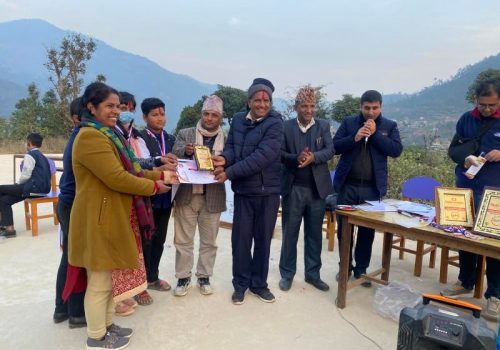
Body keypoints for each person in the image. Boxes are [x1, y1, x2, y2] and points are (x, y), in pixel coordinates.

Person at [68, 82, 176, 349]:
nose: (116, 111)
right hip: (99, 219)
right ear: (91, 107)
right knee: (100, 281)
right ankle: (96, 336)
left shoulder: (109, 134)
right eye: (109, 106)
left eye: (118, 106)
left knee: (108, 280)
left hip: (112, 216)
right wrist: (154, 186)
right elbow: (118, 178)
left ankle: (107, 326)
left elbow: (134, 168)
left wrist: (162, 174)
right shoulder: (90, 137)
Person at [213, 78, 284, 305]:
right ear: (249, 101)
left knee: (263, 241)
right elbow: (233, 147)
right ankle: (240, 284)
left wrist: (229, 172)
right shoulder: (238, 120)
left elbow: (263, 156)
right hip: (244, 191)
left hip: (268, 192)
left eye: (266, 100)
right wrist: (224, 158)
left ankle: (259, 284)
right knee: (241, 241)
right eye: (257, 99)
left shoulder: (275, 123)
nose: (262, 104)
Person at [440, 80, 500, 322]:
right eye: (482, 104)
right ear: (475, 100)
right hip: (466, 186)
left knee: (494, 244)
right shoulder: (466, 119)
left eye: (492, 105)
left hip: (494, 194)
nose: (486, 109)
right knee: (464, 236)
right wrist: (465, 159)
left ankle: (494, 295)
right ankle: (465, 281)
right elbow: (453, 150)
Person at [333, 90, 402, 287]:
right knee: (344, 230)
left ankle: (361, 269)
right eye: (367, 108)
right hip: (347, 186)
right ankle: (344, 267)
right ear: (360, 107)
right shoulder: (348, 123)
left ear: (380, 107)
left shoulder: (389, 126)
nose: (371, 112)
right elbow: (335, 146)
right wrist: (354, 138)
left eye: (375, 108)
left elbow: (396, 150)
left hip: (372, 189)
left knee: (366, 232)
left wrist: (374, 136)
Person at [279, 86, 334, 292]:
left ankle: (313, 274)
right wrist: (297, 158)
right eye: (304, 106)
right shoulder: (285, 127)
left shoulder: (323, 126)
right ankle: (287, 274)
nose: (308, 110)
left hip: (316, 190)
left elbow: (330, 150)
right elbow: (279, 153)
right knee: (290, 233)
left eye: (312, 106)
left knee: (314, 235)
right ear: (296, 107)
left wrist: (313, 157)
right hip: (293, 188)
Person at [171, 95, 226, 296]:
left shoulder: (227, 138)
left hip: (213, 196)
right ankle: (183, 277)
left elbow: (231, 160)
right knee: (183, 240)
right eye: (206, 114)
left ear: (220, 117)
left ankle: (204, 276)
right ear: (201, 114)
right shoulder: (186, 133)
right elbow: (173, 152)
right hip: (187, 194)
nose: (209, 118)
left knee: (209, 241)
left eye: (214, 115)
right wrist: (185, 151)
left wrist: (222, 161)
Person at [137, 97, 177, 305]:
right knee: (145, 241)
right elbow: (138, 166)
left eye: (162, 114)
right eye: (154, 114)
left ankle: (153, 277)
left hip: (167, 196)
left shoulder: (171, 138)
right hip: (147, 197)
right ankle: (140, 285)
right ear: (144, 117)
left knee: (160, 239)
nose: (160, 118)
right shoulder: (139, 137)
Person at [53, 97, 87, 328]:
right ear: (76, 118)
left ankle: (61, 308)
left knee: (70, 257)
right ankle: (75, 312)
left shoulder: (79, 136)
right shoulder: (84, 139)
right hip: (74, 203)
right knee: (78, 258)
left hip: (69, 201)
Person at [0, 133, 51, 238]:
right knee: (4, 200)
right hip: (43, 190)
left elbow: (26, 174)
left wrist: (17, 185)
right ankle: (10, 230)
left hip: (33, 188)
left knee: (1, 189)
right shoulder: (43, 157)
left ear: (29, 143)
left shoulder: (30, 155)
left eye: (26, 142)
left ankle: (3, 224)